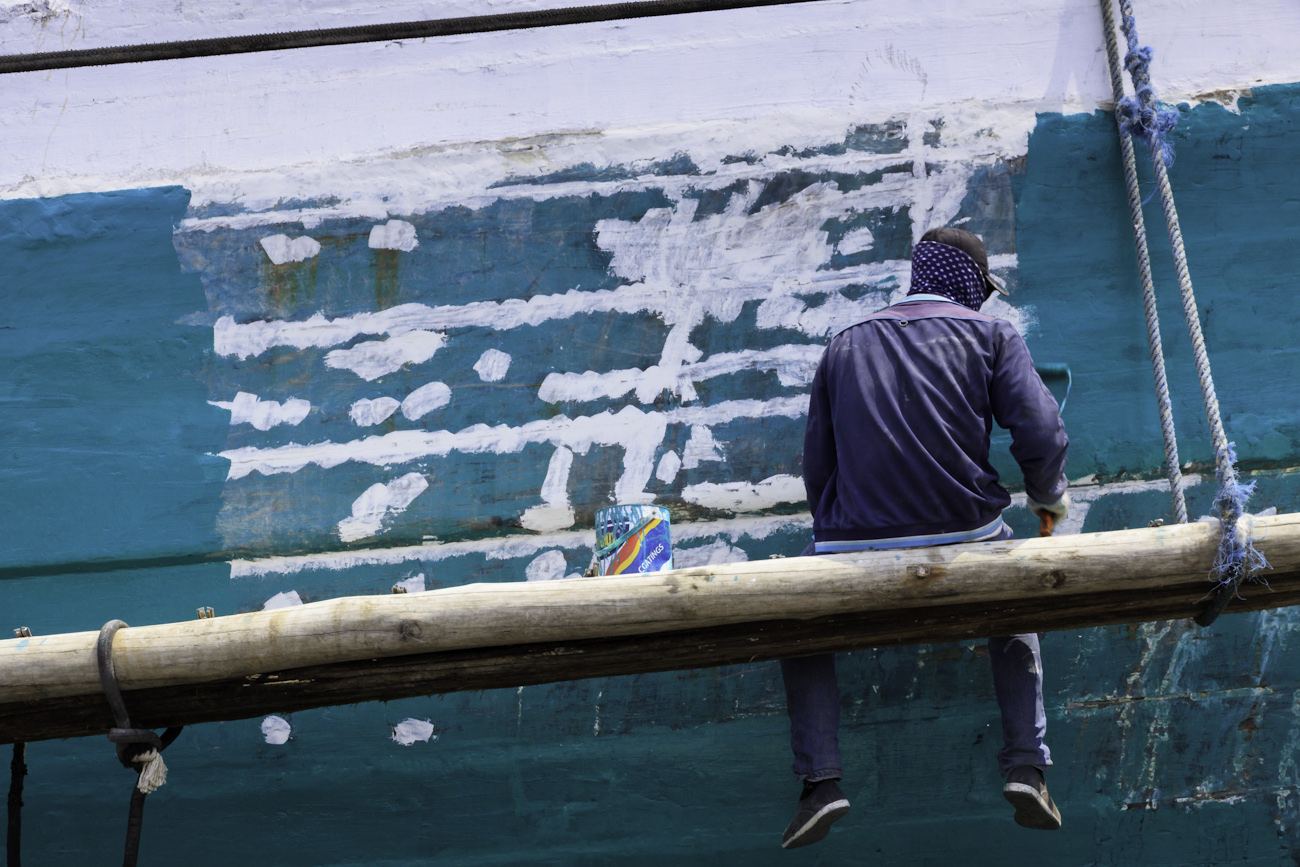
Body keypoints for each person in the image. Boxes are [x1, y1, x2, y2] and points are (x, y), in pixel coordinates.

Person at [779, 227, 1070, 849]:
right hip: (965, 532)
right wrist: (1048, 502)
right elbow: (1041, 434)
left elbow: (817, 465)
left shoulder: (844, 343)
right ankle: (1026, 765)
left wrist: (840, 535)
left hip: (848, 541)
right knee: (1016, 604)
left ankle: (819, 784)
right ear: (969, 281)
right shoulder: (991, 334)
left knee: (794, 619)